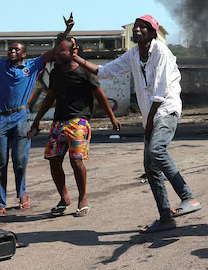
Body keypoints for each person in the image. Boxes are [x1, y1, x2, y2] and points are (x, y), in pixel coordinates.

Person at [72, 15, 200, 232]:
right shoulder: (132, 55)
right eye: (136, 27)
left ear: (152, 33)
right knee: (150, 168)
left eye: (143, 27)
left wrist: (149, 126)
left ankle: (188, 197)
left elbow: (159, 95)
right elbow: (104, 71)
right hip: (150, 115)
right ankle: (165, 218)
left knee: (156, 150)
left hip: (165, 110)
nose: (138, 30)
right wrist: (78, 59)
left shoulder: (161, 51)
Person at [0, 14, 73, 217]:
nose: (12, 51)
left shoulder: (33, 65)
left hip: (21, 119)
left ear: (24, 53)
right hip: (1, 120)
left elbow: (56, 50)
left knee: (20, 161)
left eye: (16, 49)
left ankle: (22, 194)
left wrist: (66, 31)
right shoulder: (0, 64)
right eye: (10, 48)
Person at [27, 37, 121, 217]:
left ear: (72, 52)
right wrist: (37, 120)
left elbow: (100, 95)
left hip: (79, 122)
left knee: (76, 161)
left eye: (60, 51)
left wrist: (112, 118)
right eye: (55, 51)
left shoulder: (85, 72)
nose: (56, 54)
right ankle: (64, 198)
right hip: (58, 122)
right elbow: (50, 97)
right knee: (53, 160)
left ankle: (82, 198)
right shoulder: (55, 72)